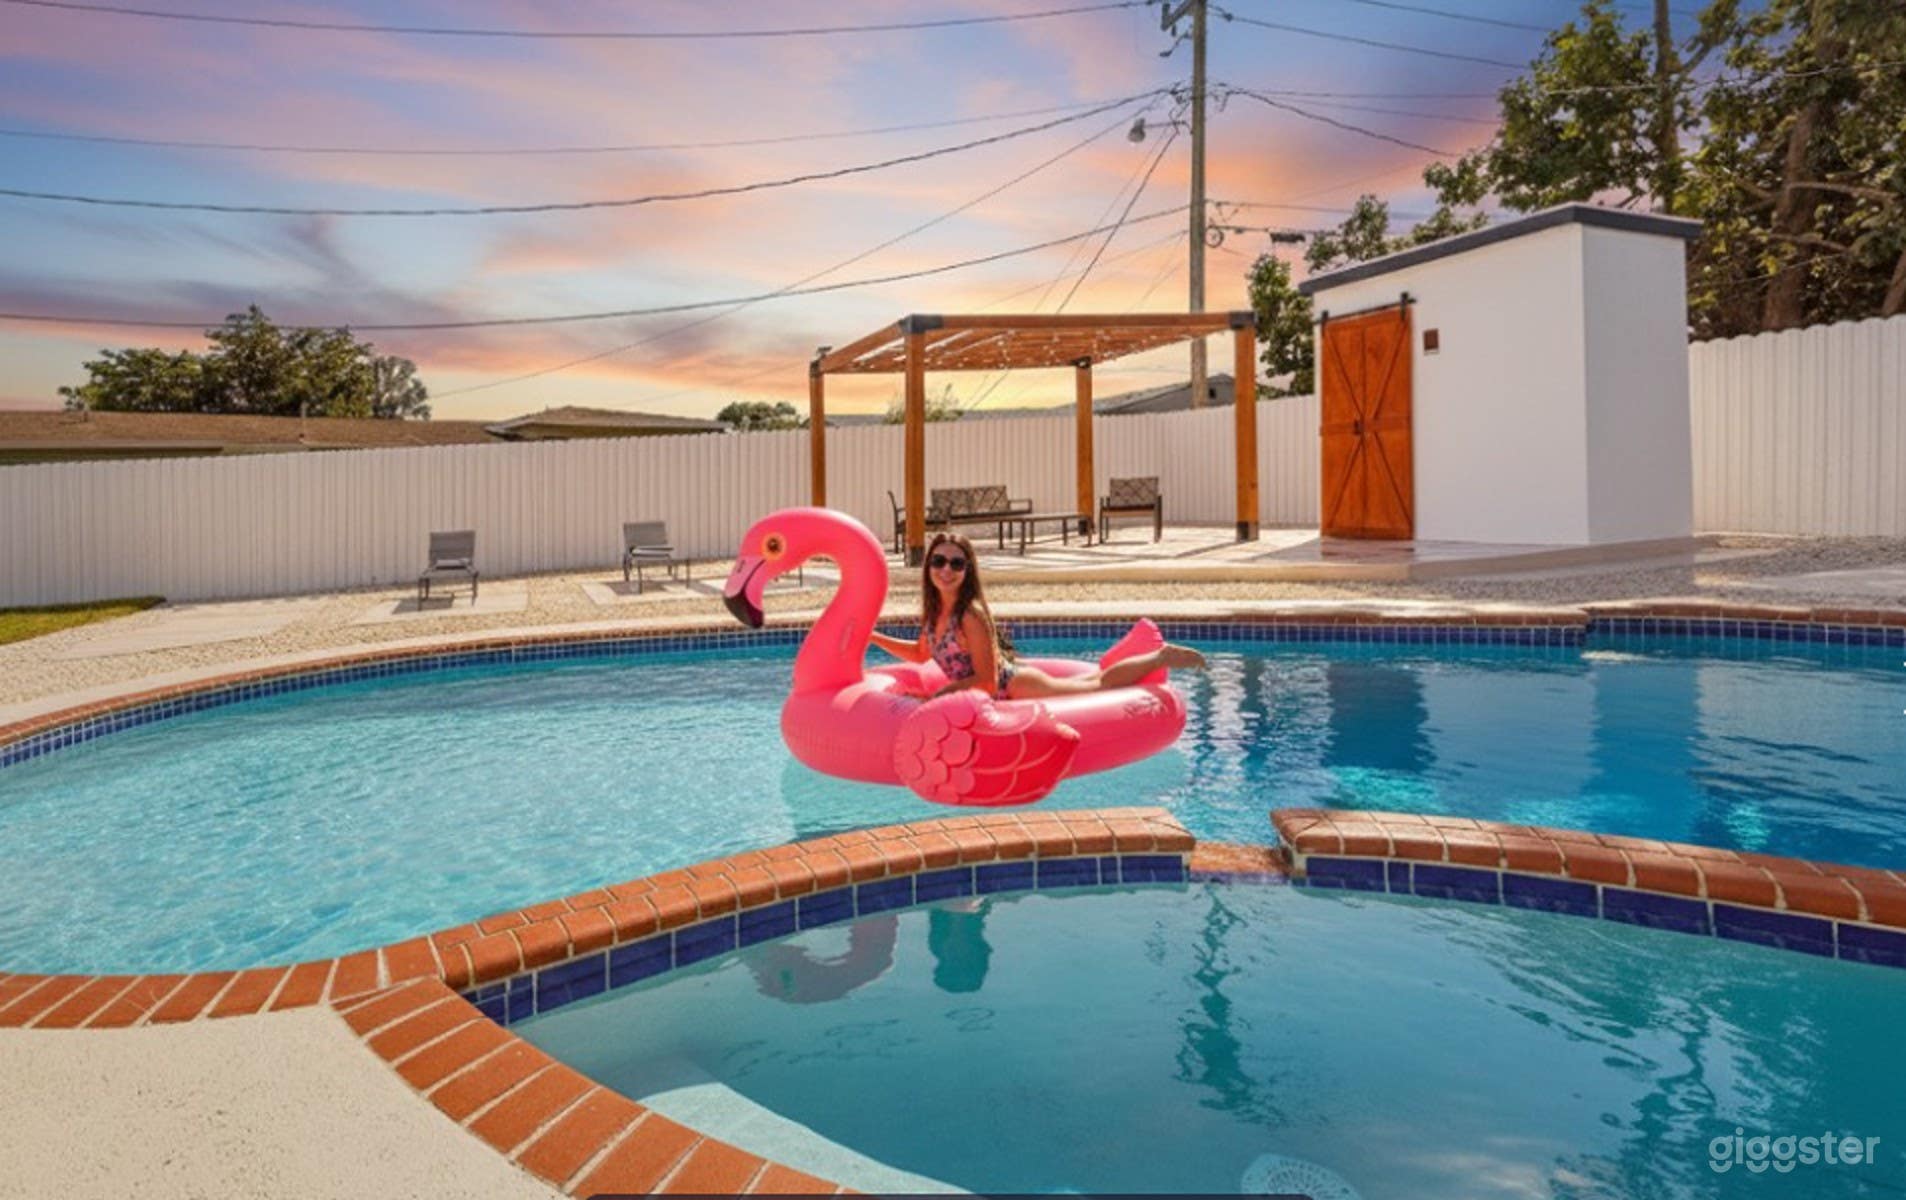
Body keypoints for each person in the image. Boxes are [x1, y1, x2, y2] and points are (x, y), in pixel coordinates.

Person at [868, 530, 1205, 700]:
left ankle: (1160, 656)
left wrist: (935, 697)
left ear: (967, 570)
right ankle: (1143, 655)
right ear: (928, 567)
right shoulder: (934, 613)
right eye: (939, 561)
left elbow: (986, 681)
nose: (946, 570)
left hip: (1016, 687)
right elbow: (919, 653)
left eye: (956, 563)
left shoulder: (969, 616)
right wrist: (871, 634)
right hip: (1006, 684)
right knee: (1087, 681)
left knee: (1098, 686)